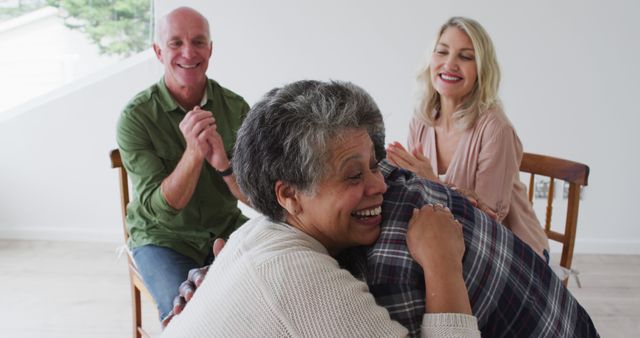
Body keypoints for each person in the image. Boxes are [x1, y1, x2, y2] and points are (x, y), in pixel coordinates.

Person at [169, 81, 599, 337]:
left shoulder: (259, 233)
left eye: (376, 165)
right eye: (353, 176)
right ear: (289, 194)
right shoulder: (302, 281)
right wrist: (442, 264)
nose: (380, 184)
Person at [116, 7, 249, 323]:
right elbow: (162, 210)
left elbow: (258, 197)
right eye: (176, 43)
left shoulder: (237, 107)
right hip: (162, 239)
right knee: (186, 318)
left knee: (283, 282)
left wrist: (224, 166)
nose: (189, 52)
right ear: (158, 51)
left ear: (210, 49)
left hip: (226, 228)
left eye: (198, 42)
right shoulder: (136, 117)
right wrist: (193, 152)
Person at [386, 17, 549, 260]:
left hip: (511, 249)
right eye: (442, 52)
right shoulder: (421, 121)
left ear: (481, 70)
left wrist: (431, 182)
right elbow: (419, 197)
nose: (449, 64)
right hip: (451, 241)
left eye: (465, 56)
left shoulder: (496, 128)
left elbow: (487, 222)